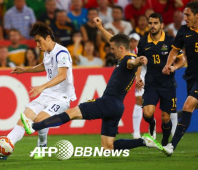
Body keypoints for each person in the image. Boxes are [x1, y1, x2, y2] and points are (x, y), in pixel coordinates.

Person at [20, 17, 164, 152]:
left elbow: (134, 61)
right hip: (117, 107)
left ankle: (34, 126)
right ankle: (144, 141)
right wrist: (101, 28)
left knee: (71, 113)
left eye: (113, 49)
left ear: (121, 49)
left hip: (107, 102)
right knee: (108, 146)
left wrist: (140, 61)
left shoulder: (128, 59)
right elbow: (115, 43)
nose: (112, 51)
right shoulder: (125, 56)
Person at [0, 21, 76, 160]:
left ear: (48, 38)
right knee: (24, 118)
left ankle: (41, 145)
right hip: (48, 94)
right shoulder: (47, 52)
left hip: (61, 97)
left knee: (40, 120)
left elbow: (62, 75)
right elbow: (45, 66)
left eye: (39, 41)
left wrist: (42, 86)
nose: (37, 45)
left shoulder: (62, 52)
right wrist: (25, 70)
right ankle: (1, 152)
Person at [137, 13, 185, 147]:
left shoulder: (170, 41)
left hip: (167, 84)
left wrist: (174, 67)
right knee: (147, 113)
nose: (152, 26)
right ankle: (152, 124)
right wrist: (138, 78)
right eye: (150, 23)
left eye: (155, 23)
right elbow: (138, 61)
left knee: (166, 117)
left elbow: (182, 60)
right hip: (151, 83)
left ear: (162, 25)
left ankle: (164, 140)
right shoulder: (143, 41)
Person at [162, 1, 198, 156]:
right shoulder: (184, 31)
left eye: (188, 14)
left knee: (188, 105)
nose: (185, 18)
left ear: (197, 15)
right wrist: (168, 65)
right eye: (184, 14)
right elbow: (174, 51)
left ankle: (172, 145)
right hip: (191, 76)